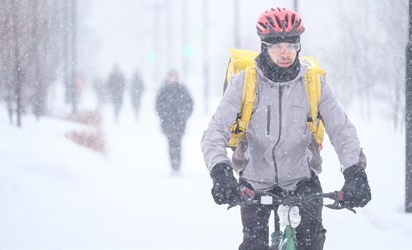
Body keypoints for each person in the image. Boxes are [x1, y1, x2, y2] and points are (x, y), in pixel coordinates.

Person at [201, 7, 371, 250]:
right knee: (254, 245)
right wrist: (220, 172)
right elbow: (214, 133)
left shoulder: (314, 84)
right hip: (254, 181)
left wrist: (355, 172)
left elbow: (342, 131)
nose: (285, 53)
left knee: (312, 243)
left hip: (302, 180)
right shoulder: (245, 83)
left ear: (298, 46)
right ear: (264, 47)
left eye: (291, 45)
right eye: (277, 46)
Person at [156, 70, 193, 175]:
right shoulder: (164, 90)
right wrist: (165, 116)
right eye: (172, 77)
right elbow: (158, 106)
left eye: (175, 77)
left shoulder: (182, 90)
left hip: (179, 123)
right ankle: (173, 164)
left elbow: (189, 104)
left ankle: (177, 165)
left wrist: (183, 116)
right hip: (168, 123)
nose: (173, 79)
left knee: (178, 144)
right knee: (171, 143)